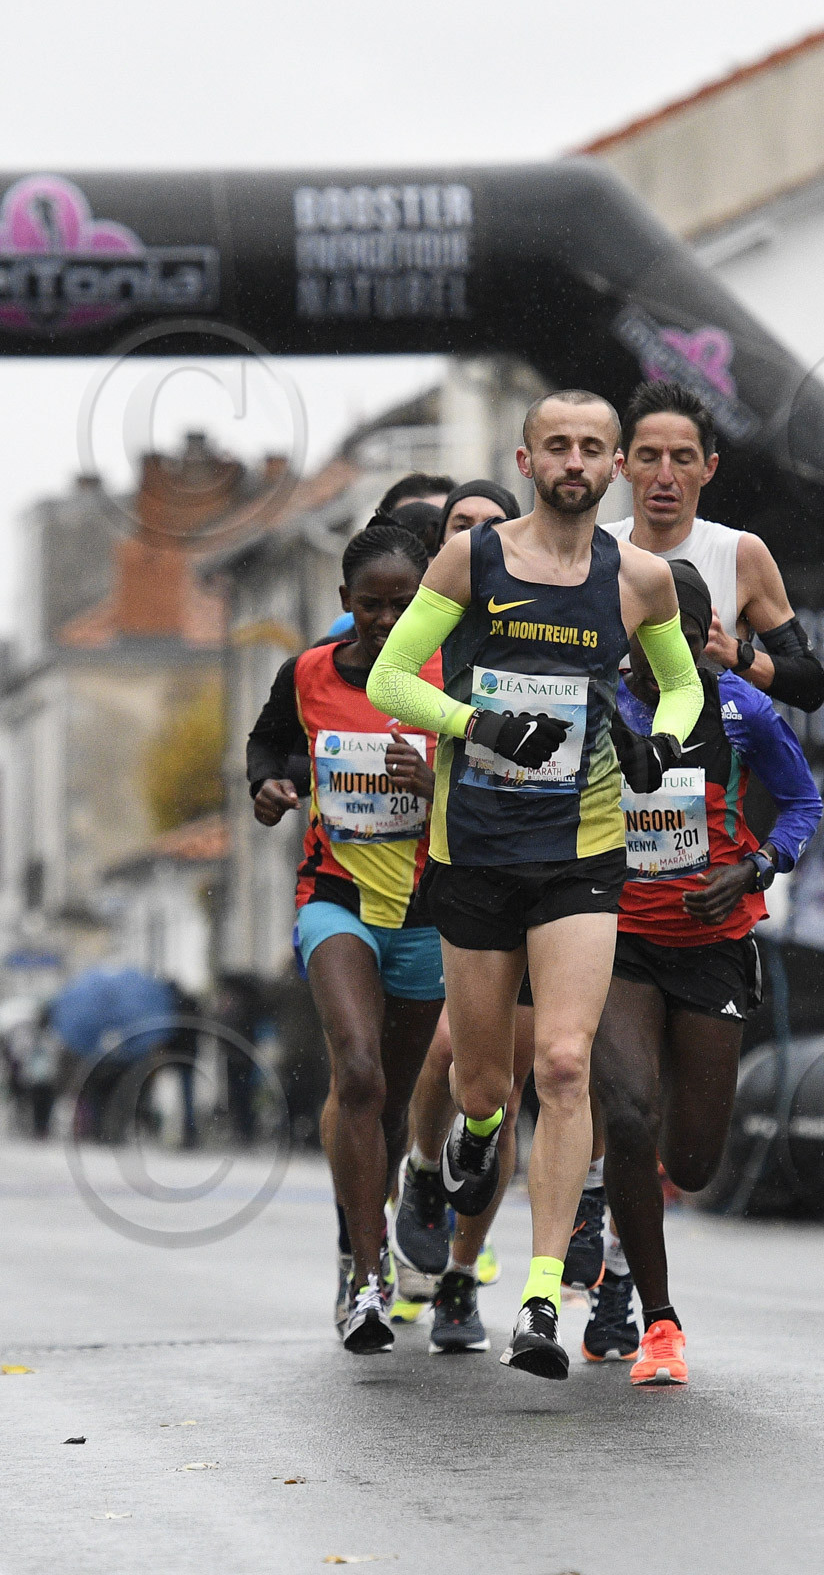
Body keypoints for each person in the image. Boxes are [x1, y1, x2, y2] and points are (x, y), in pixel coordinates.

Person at [368, 389, 703, 1379]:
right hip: (474, 847)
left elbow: (682, 685)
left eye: (592, 447)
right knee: (483, 1086)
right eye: (556, 444)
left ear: (615, 467)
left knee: (561, 1064)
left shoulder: (639, 577)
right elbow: (392, 678)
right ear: (525, 460)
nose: (573, 461)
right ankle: (473, 1135)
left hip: (581, 851)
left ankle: (541, 1296)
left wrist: (660, 741)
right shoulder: (470, 561)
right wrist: (476, 724)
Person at [586, 559, 822, 1385]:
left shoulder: (740, 707)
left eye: (689, 637)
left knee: (689, 1164)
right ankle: (657, 1319)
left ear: (707, 638)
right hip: (617, 937)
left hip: (713, 941)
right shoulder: (601, 704)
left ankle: (620, 1215)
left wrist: (753, 867)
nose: (672, 653)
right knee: (626, 1114)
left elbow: (802, 805)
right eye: (654, 637)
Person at [247, 522, 445, 1354]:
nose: (387, 619)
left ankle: (370, 1228)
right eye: (371, 605)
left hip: (429, 911)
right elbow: (268, 744)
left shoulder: (452, 676)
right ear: (344, 603)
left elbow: (504, 781)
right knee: (357, 1074)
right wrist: (266, 785)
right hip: (336, 897)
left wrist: (435, 783)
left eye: (404, 604)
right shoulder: (308, 673)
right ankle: (366, 1279)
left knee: (391, 1104)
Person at [390, 476, 527, 1352]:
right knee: (450, 1055)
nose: (474, 539)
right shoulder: (419, 633)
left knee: (499, 1091)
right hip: (443, 872)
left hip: (541, 870)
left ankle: (459, 1278)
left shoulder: (543, 622)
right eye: (458, 525)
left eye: (491, 525)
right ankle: (418, 1174)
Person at [603, 380, 824, 713]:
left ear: (708, 468)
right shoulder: (595, 550)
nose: (665, 476)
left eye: (683, 459)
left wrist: (734, 653)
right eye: (648, 457)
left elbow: (811, 685)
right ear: (623, 466)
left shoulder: (740, 554)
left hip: (709, 744)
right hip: (613, 746)